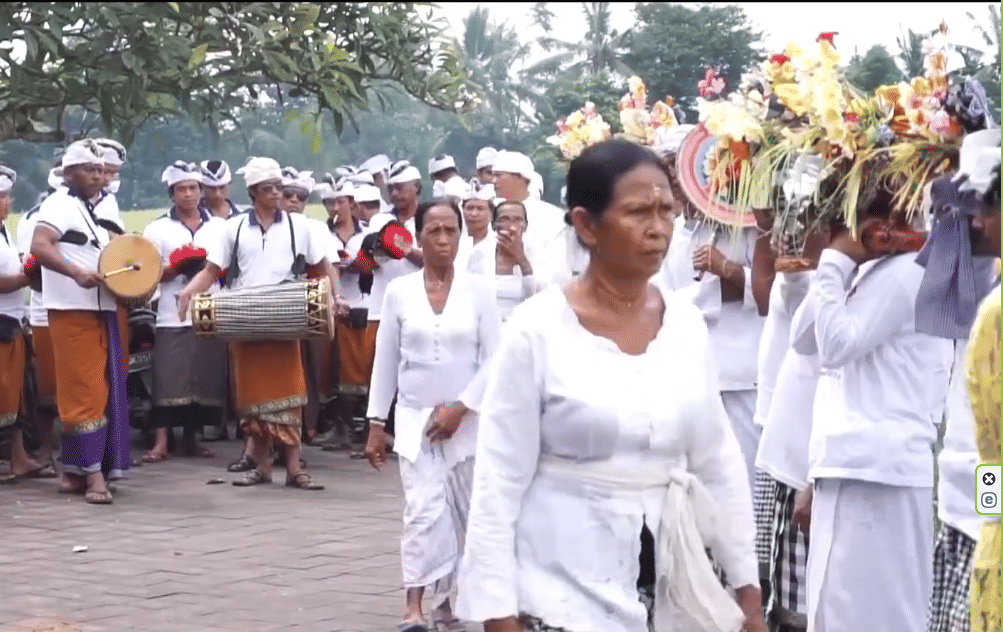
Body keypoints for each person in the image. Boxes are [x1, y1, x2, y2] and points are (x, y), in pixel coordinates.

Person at [455, 139, 766, 632]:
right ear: (585, 224)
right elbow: (498, 481)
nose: (658, 229)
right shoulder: (537, 329)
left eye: (666, 210)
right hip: (560, 592)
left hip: (673, 587)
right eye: (638, 212)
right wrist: (497, 613)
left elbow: (718, 463)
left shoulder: (685, 326)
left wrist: (748, 593)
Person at [803, 188, 954, 632]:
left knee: (884, 618)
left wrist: (833, 262)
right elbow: (804, 340)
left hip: (935, 474)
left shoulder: (908, 271)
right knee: (836, 615)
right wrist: (832, 263)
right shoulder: (876, 271)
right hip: (862, 465)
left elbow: (834, 347)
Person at [365, 197, 501, 632]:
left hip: (469, 423)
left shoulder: (480, 290)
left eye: (450, 231)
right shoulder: (400, 291)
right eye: (433, 231)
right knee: (423, 510)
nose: (442, 240)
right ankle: (414, 605)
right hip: (414, 422)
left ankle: (448, 603)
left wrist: (461, 407)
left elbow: (495, 360)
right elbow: (385, 361)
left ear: (461, 237)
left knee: (463, 514)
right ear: (418, 236)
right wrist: (374, 425)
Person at [177, 156, 343, 491]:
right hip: (246, 320)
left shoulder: (303, 226)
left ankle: (295, 469)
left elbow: (324, 264)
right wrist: (186, 294)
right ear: (253, 191)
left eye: (280, 188)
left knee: (293, 395)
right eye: (270, 188)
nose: (279, 194)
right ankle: (263, 467)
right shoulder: (232, 228)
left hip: (288, 318)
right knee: (252, 400)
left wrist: (336, 297)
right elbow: (213, 271)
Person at [30, 139, 132, 504]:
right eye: (91, 169)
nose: (99, 175)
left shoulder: (99, 207)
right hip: (71, 308)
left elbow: (123, 246)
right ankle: (93, 476)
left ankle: (75, 471)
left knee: (101, 389)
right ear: (69, 172)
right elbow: (40, 246)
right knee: (84, 391)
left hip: (103, 308)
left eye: (102, 170)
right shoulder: (58, 204)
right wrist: (75, 271)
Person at [138, 161, 227, 463]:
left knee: (203, 376)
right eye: (181, 189)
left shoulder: (218, 227)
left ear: (201, 192)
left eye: (192, 188)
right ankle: (162, 440)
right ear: (171, 194)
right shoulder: (157, 228)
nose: (188, 194)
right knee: (168, 376)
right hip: (170, 312)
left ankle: (192, 437)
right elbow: (147, 273)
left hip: (208, 308)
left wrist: (207, 268)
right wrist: (176, 266)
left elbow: (227, 267)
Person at [955, 130, 1000, 632]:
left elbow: (991, 450)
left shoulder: (995, 311)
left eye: (986, 208)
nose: (976, 222)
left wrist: (991, 519)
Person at [0, 165, 54, 483]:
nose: (3, 202)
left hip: (12, 318)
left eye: (5, 196)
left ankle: (19, 458)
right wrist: (26, 276)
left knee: (16, 396)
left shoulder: (6, 232)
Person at [280, 166, 336, 445]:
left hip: (310, 305)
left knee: (310, 368)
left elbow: (327, 266)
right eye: (287, 194)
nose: (293, 201)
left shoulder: (314, 228)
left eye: (300, 197)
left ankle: (307, 426)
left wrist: (336, 299)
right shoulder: (268, 228)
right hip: (276, 308)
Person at [15, 165, 64, 467]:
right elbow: (31, 271)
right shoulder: (34, 220)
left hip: (84, 306)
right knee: (47, 386)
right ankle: (45, 447)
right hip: (47, 309)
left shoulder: (90, 210)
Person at [317, 176, 369, 452]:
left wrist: (357, 263)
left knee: (355, 371)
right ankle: (337, 426)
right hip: (328, 306)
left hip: (360, 303)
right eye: (330, 202)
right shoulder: (320, 234)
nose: (336, 206)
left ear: (352, 203)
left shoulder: (367, 234)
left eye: (341, 201)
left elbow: (378, 264)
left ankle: (352, 427)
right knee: (329, 369)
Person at [466, 197, 538, 323]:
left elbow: (538, 298)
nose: (511, 226)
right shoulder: (478, 254)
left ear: (525, 226)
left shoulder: (537, 254)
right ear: (494, 225)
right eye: (504, 219)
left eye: (518, 220)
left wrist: (522, 259)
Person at [492, 151, 565, 257]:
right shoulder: (488, 211)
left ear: (518, 177)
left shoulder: (551, 216)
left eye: (498, 176)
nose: (494, 181)